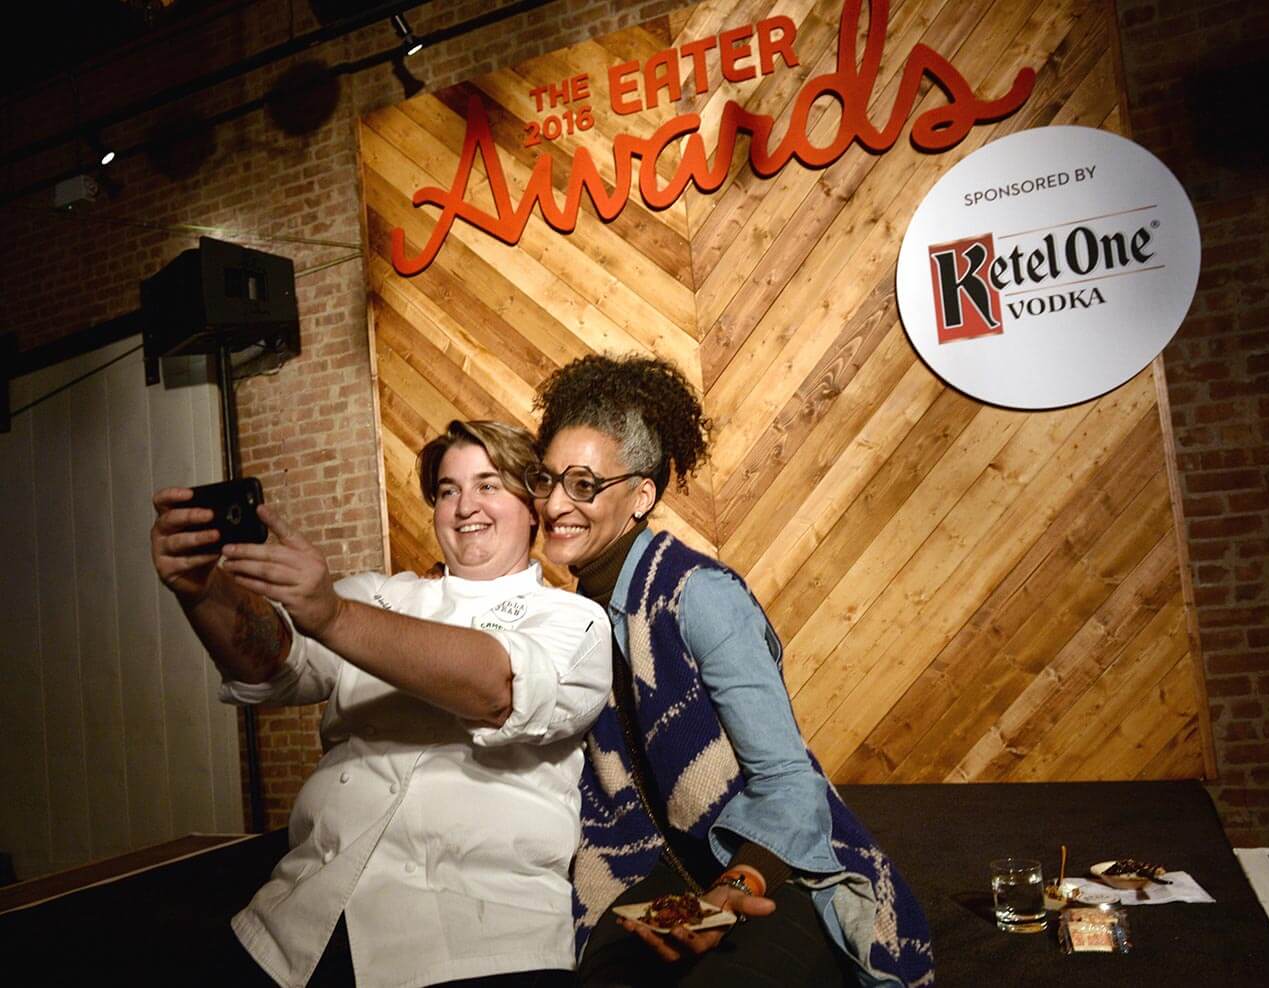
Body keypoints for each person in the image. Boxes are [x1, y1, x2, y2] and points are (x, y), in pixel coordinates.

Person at [150, 420, 611, 988]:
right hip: (292, 928)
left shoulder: (574, 621)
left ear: (533, 505)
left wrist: (333, 618)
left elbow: (497, 688)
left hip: (481, 941)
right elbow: (274, 662)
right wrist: (203, 591)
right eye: (448, 490)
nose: (466, 505)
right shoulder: (377, 596)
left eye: (489, 485)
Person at [526, 355, 933, 987]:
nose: (555, 504)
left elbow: (790, 783)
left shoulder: (698, 594)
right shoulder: (570, 617)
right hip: (649, 873)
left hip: (769, 866)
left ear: (640, 496)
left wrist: (734, 885)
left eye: (582, 484)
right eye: (545, 479)